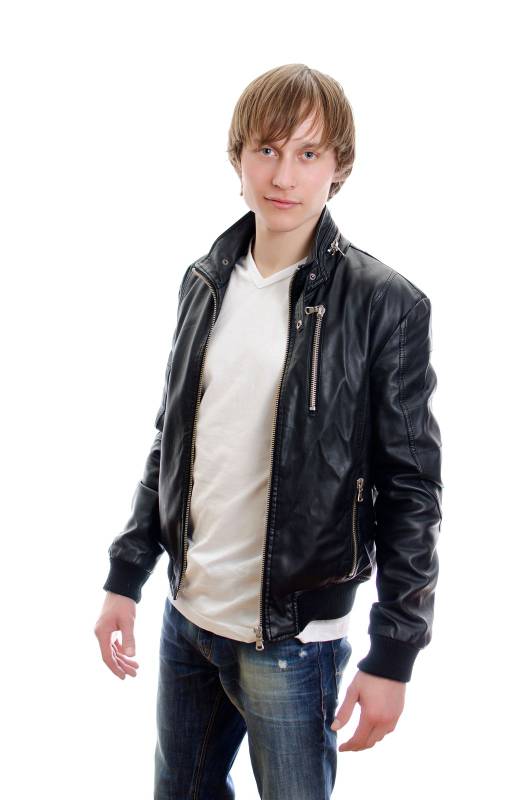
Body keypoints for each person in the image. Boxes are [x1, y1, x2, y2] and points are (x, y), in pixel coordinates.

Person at [94, 63, 443, 799]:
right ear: (238, 158)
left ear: (338, 166)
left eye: (308, 153)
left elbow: (412, 489)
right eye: (267, 150)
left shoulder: (385, 304)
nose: (284, 175)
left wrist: (393, 655)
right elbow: (172, 442)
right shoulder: (204, 281)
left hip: (292, 643)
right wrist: (127, 575)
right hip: (188, 619)